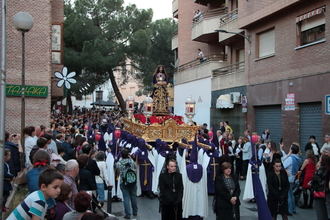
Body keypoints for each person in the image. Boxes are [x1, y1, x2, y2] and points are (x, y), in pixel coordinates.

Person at [116, 148, 138, 219]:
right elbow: (135, 169)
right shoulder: (132, 161)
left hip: (124, 182)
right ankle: (135, 212)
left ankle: (128, 214)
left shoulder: (119, 163)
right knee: (133, 197)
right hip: (133, 181)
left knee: (126, 198)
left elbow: (118, 172)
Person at [282, 143, 301, 215]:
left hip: (288, 177)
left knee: (288, 195)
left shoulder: (290, 158)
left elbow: (283, 165)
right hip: (293, 177)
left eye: (290, 148)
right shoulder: (298, 158)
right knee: (291, 194)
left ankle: (289, 210)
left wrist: (288, 155)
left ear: (292, 150)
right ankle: (293, 209)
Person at [311, 155, 329, 220]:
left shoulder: (320, 170)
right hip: (325, 193)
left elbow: (315, 181)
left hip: (319, 193)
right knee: (325, 212)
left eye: (320, 158)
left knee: (320, 212)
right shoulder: (328, 168)